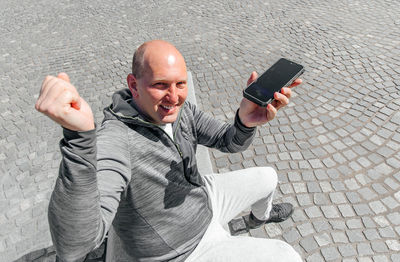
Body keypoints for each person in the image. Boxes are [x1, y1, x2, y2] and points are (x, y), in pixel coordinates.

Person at [35, 40, 303, 262]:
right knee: (286, 255)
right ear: (133, 85)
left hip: (203, 200)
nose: (174, 97)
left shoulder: (180, 111)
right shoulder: (115, 140)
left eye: (180, 84)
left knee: (269, 176)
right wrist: (79, 139)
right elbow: (74, 247)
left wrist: (244, 121)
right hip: (183, 248)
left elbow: (228, 141)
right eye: (161, 85)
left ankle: (258, 220)